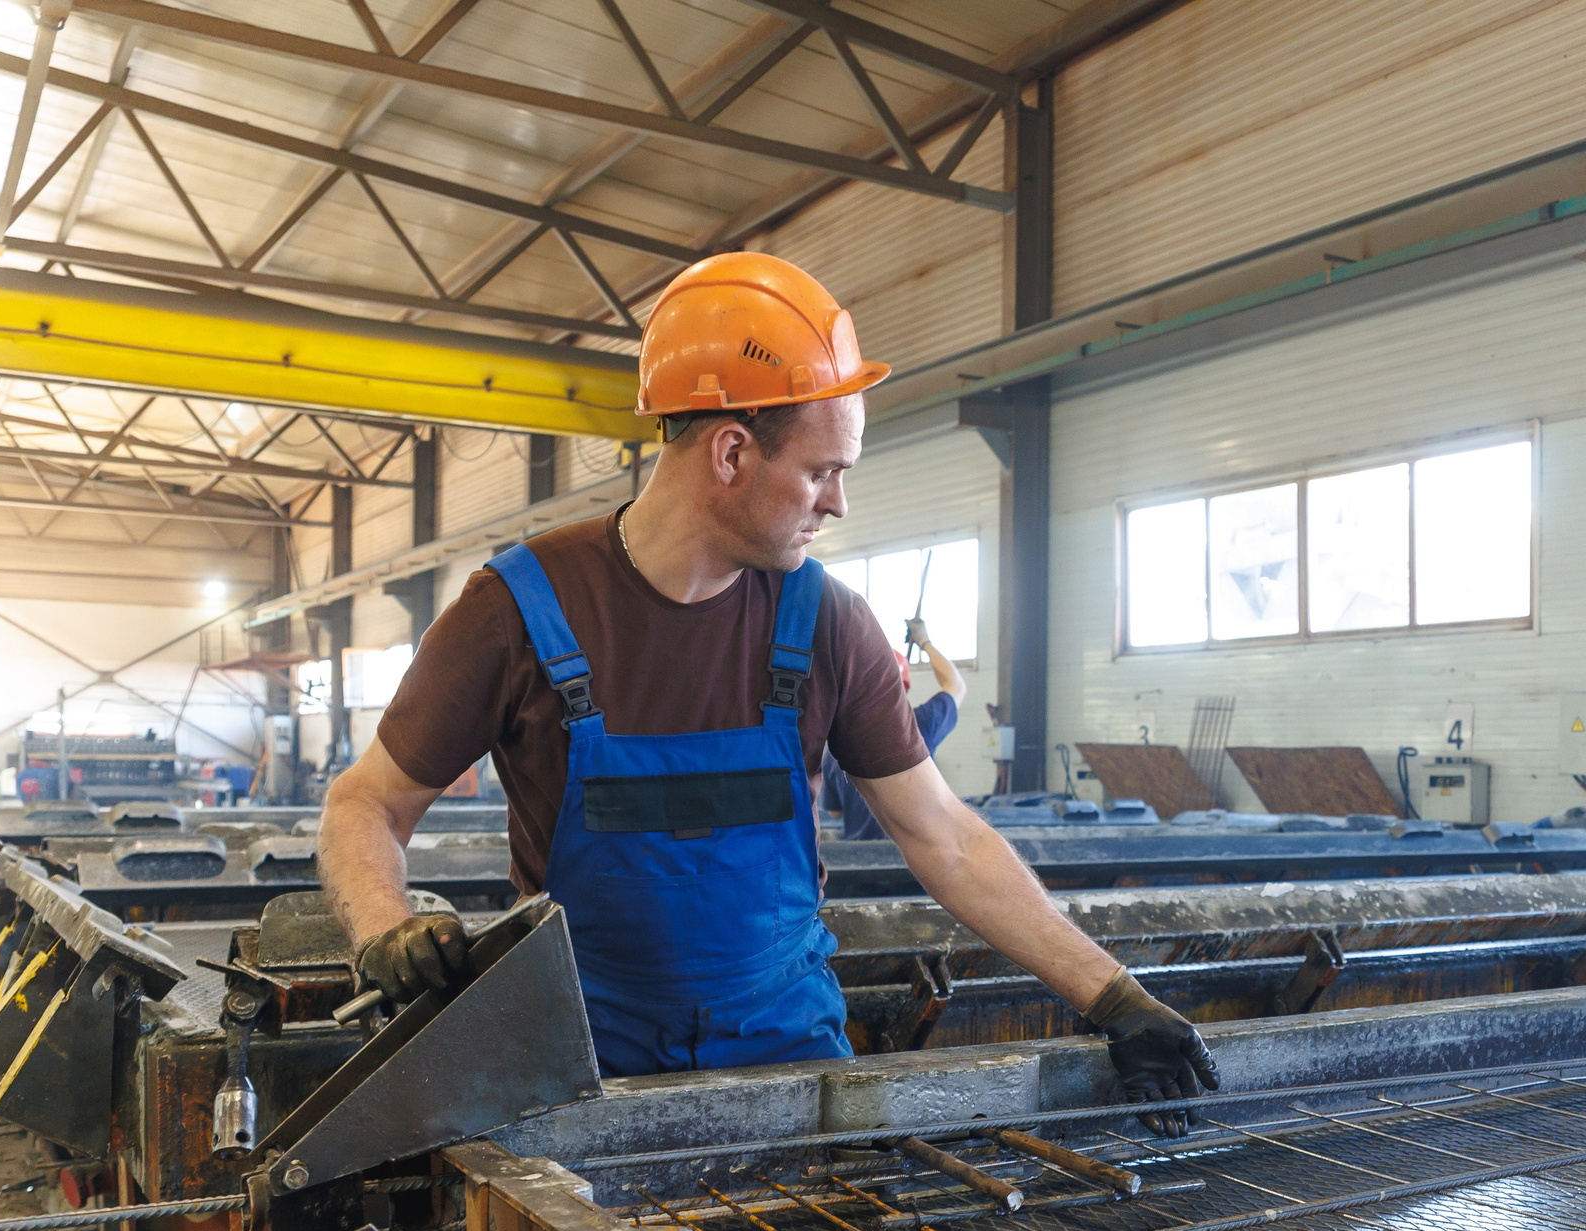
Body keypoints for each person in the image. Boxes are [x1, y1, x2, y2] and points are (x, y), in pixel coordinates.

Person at [315, 252, 1216, 1126]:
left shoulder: (827, 624)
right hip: (579, 1070)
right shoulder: (516, 610)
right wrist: (384, 929)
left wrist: (1114, 996)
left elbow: (943, 835)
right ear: (732, 453)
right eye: (823, 472)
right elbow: (365, 803)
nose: (838, 503)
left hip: (789, 1064)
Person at [819, 617, 958, 840]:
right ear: (902, 689)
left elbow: (834, 812)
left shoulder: (834, 748)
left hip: (858, 856)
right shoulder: (920, 724)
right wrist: (925, 642)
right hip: (911, 857)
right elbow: (955, 685)